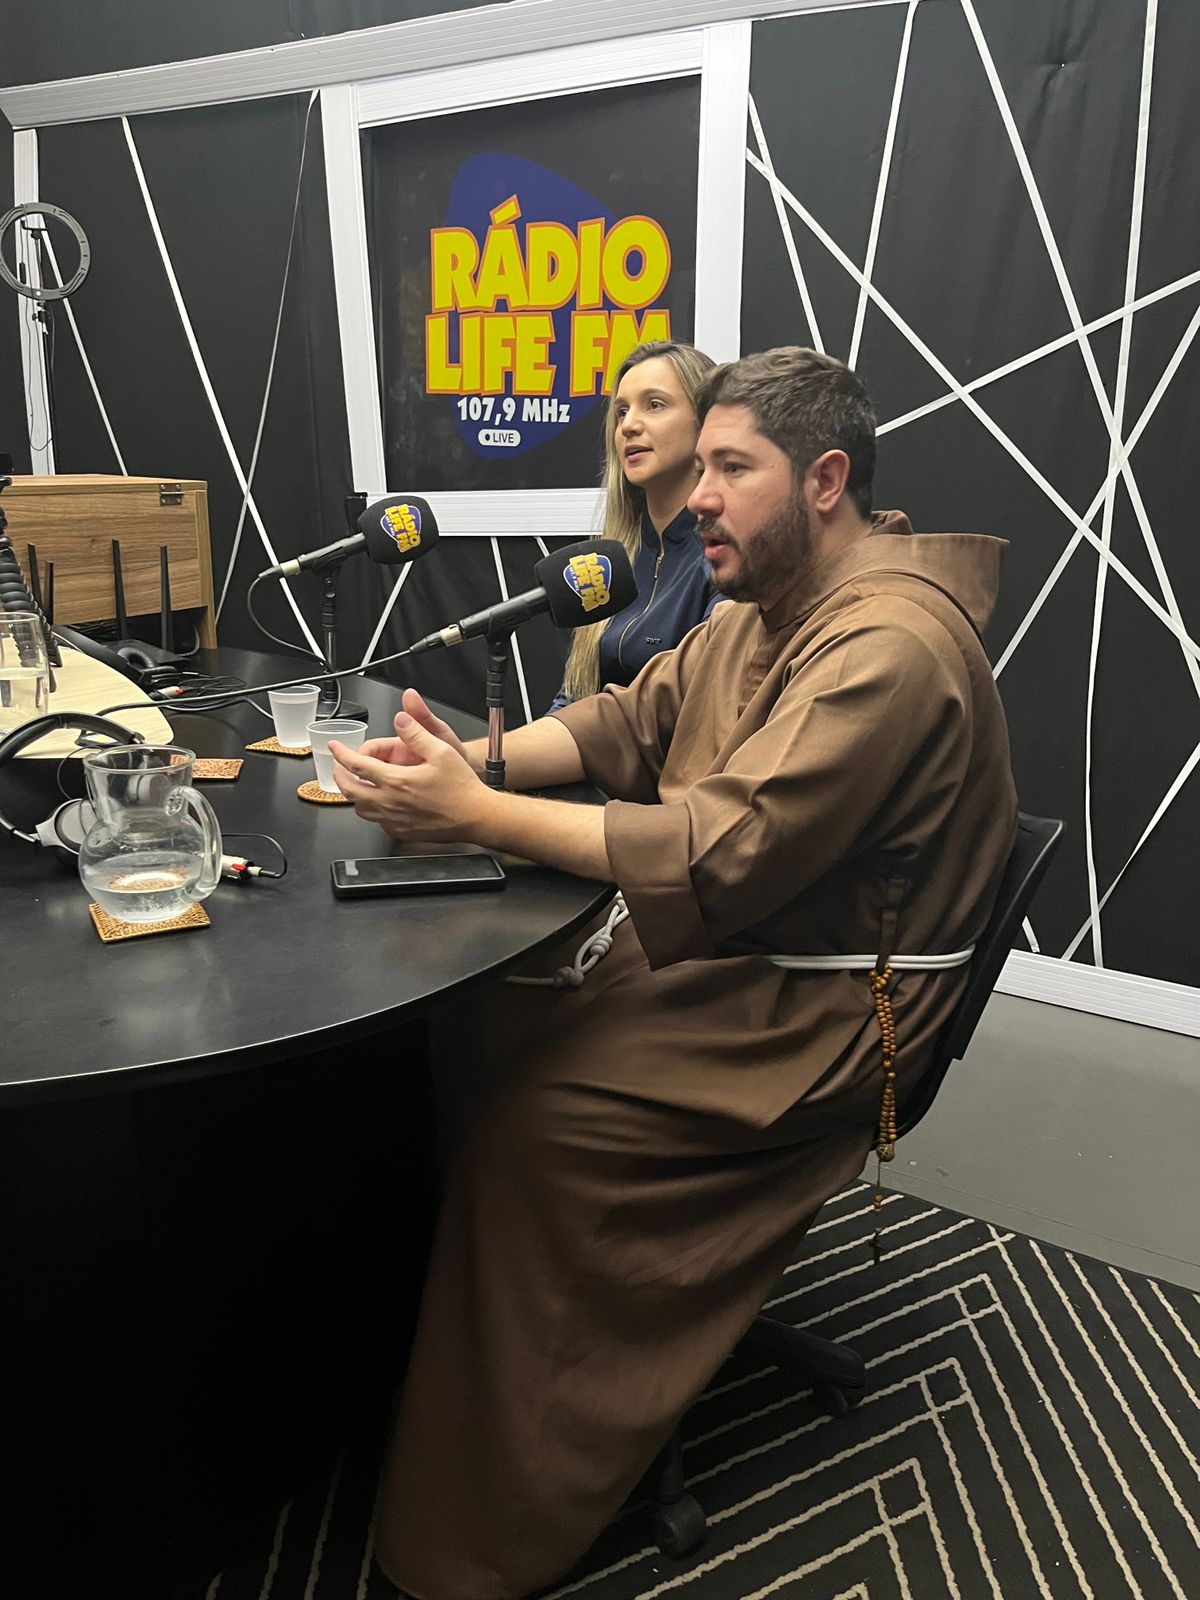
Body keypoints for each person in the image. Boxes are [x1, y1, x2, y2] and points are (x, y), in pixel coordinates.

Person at [330, 346, 1018, 1600]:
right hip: (750, 952)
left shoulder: (893, 645)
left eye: (729, 467)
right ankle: (456, 1340)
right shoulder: (766, 605)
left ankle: (478, 1529)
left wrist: (474, 815)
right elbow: (627, 721)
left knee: (538, 1122)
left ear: (824, 480)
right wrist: (475, 765)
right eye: (701, 466)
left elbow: (721, 846)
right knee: (471, 1017)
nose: (696, 494)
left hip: (829, 1010)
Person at [549, 338, 719, 710]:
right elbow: (574, 695)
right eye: (622, 411)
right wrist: (507, 746)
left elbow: (687, 705)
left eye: (654, 405)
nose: (628, 426)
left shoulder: (726, 558)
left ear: (706, 422)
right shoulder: (614, 557)